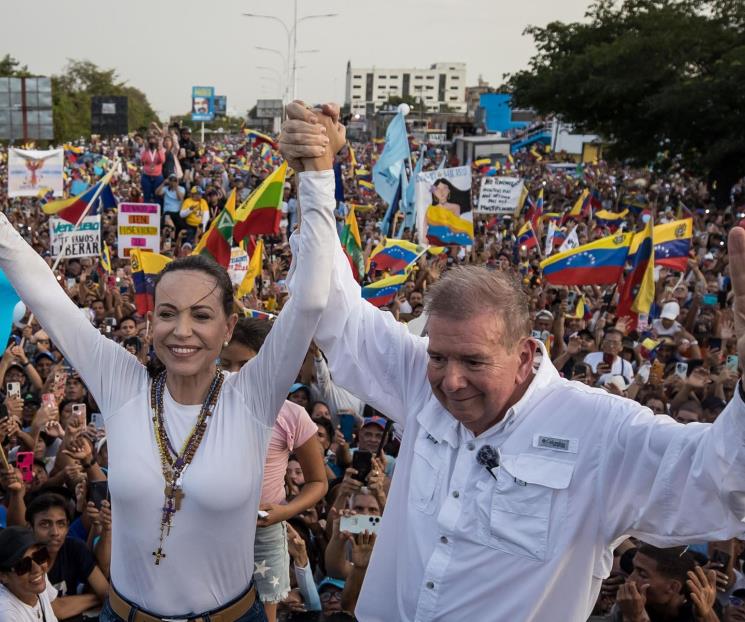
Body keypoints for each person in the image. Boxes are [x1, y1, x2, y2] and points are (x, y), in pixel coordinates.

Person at [280, 100, 745, 621]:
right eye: (438, 356)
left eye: (474, 362)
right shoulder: (419, 381)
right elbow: (333, 306)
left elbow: (725, 484)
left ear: (525, 354)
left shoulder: (601, 432)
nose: (450, 382)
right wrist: (319, 178)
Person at [0, 105, 343, 621]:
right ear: (150, 319)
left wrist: (317, 177)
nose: (182, 331)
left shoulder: (252, 396)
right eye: (167, 314)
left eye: (201, 315)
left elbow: (313, 299)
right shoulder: (121, 383)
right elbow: (44, 292)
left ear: (229, 327)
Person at [220, 318, 328, 622]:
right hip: (212, 529)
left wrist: (285, 512)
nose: (233, 373)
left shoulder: (292, 416)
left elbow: (318, 482)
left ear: (269, 364)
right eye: (225, 363)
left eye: (245, 364)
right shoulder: (204, 408)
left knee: (263, 612)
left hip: (264, 531)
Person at [0, 526, 58, 621]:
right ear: (3, 576)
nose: (37, 569)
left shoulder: (38, 581)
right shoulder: (6, 615)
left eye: (39, 556)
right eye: (23, 565)